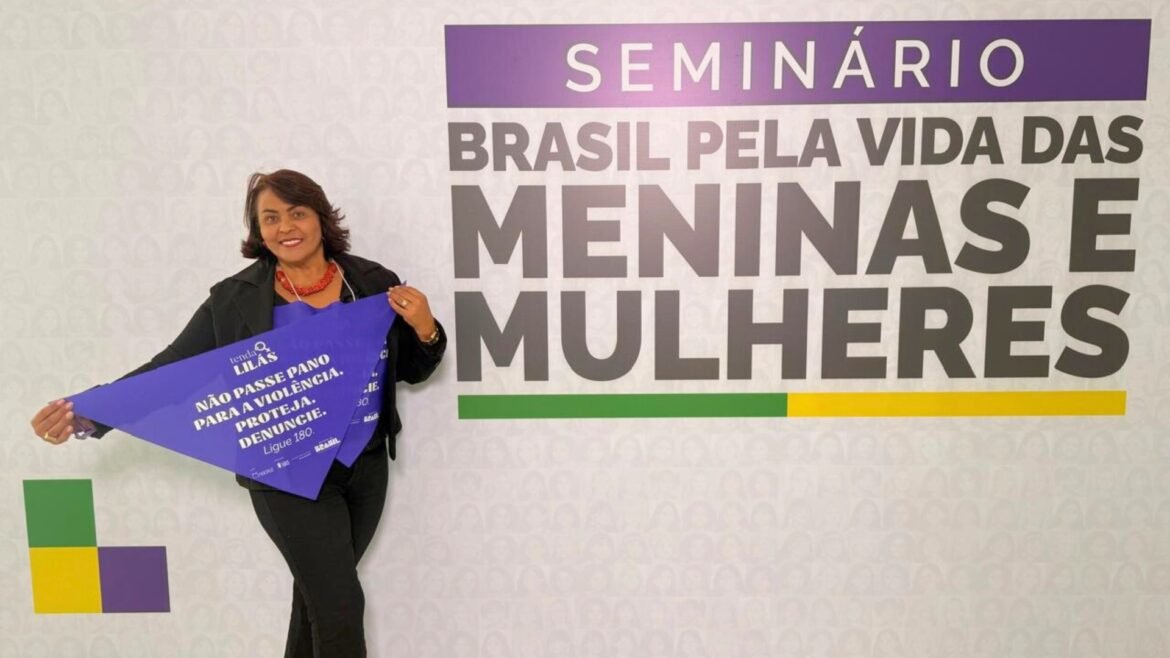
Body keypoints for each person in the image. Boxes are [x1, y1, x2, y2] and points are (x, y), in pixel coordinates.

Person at [28, 169, 445, 657]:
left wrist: (426, 329)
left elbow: (410, 369)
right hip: (285, 473)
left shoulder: (373, 283)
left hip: (363, 469)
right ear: (258, 230)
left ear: (320, 218)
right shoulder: (234, 299)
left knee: (316, 600)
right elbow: (172, 369)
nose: (285, 227)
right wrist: (91, 411)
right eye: (270, 218)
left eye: (297, 213)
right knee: (339, 606)